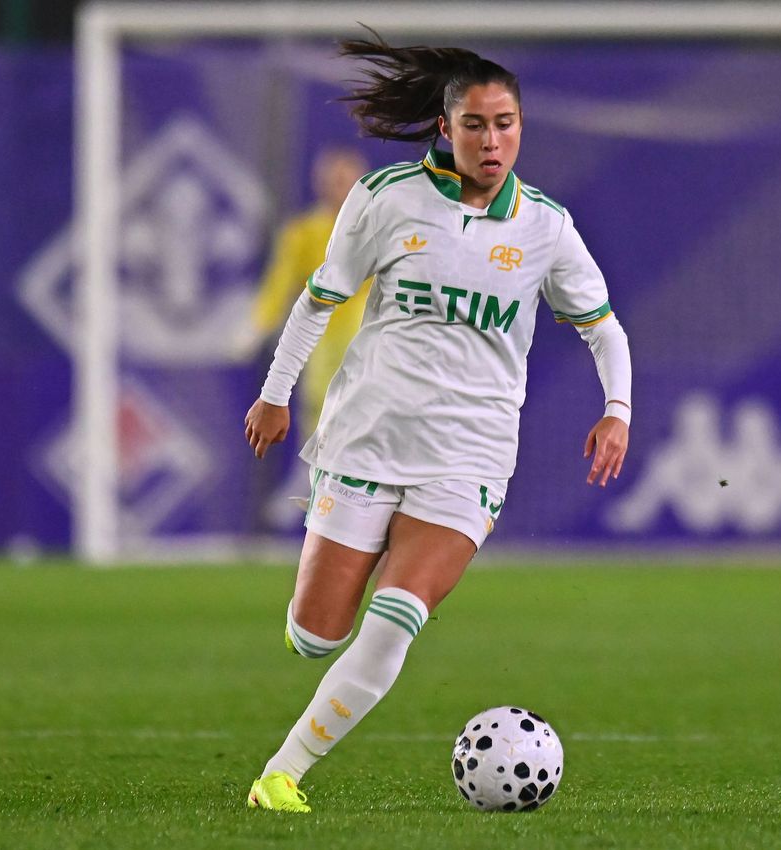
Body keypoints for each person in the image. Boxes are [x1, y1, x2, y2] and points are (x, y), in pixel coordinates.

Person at [242, 30, 632, 813]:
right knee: (317, 634)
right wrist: (275, 392)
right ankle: (332, 581)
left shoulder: (545, 227)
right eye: (477, 124)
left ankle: (279, 775)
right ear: (445, 129)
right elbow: (321, 298)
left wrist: (615, 411)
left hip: (469, 459)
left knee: (394, 622)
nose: (494, 140)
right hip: (366, 439)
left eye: (507, 123)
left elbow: (603, 327)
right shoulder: (386, 198)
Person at [245, 146, 370, 527]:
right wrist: (258, 324)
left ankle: (358, 491)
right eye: (334, 179)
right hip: (322, 336)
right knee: (320, 411)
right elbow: (281, 283)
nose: (341, 187)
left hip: (371, 334)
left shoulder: (377, 226)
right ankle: (319, 484)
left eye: (348, 179)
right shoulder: (302, 232)